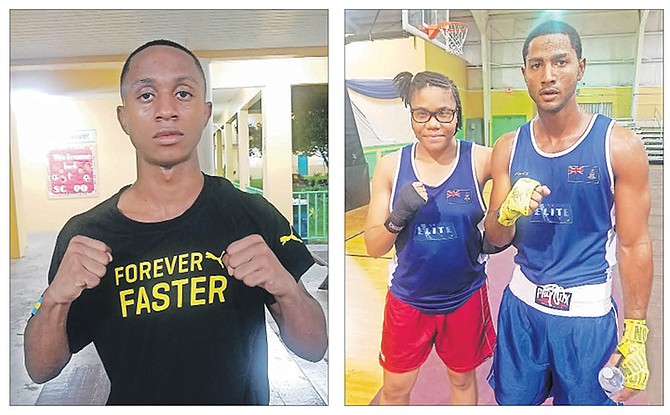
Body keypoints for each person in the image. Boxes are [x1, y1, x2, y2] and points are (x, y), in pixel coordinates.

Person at [23, 39, 328, 405]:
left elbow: (313, 347)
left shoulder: (252, 214)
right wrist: (54, 298)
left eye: (183, 93)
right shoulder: (85, 235)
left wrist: (286, 289)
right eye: (147, 95)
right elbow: (41, 368)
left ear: (204, 112)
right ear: (123, 118)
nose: (166, 110)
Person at [484, 20, 653, 405]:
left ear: (581, 67)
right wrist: (507, 212)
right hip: (522, 310)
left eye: (560, 62)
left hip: (586, 318)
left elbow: (634, 242)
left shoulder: (620, 145)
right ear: (524, 73)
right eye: (536, 64)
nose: (548, 75)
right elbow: (494, 239)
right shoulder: (508, 148)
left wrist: (636, 333)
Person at [364, 71, 496, 405]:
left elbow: (523, 164)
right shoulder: (391, 166)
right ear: (411, 115)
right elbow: (373, 247)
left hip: (465, 296)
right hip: (408, 300)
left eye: (444, 113)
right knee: (395, 390)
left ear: (457, 115)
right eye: (421, 114)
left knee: (462, 381)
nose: (433, 123)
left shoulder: (480, 159)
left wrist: (502, 226)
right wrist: (397, 218)